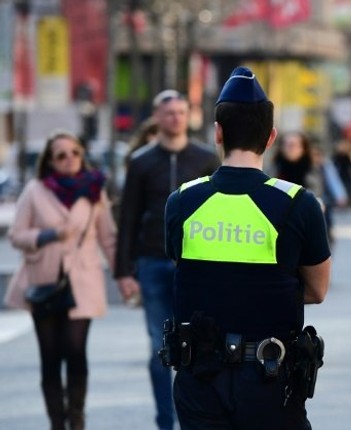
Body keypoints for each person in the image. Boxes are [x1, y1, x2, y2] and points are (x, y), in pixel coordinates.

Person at [164, 66, 331, 429]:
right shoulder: (298, 203)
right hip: (269, 377)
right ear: (270, 137)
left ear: (218, 133)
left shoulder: (182, 201)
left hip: (200, 377)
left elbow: (187, 271)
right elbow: (317, 290)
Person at [115, 89, 220, 430]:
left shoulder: (206, 158)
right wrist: (123, 270)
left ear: (188, 116)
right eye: (168, 112)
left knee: (195, 344)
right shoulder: (142, 161)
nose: (174, 118)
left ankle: (194, 418)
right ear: (157, 117)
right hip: (152, 261)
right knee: (160, 347)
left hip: (196, 264)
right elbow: (128, 216)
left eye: (180, 112)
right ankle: (165, 422)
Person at [4, 130, 118, 430]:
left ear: (82, 156)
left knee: (76, 352)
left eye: (75, 153)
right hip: (44, 282)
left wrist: (124, 276)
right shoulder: (35, 190)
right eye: (61, 155)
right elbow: (16, 235)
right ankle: (57, 421)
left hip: (82, 281)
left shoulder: (95, 191)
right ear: (50, 162)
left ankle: (77, 418)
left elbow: (108, 239)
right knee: (50, 357)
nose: (69, 159)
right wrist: (48, 234)